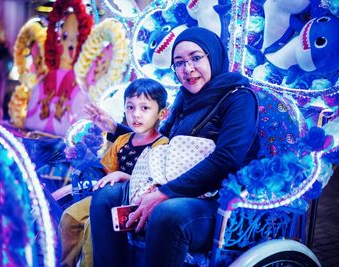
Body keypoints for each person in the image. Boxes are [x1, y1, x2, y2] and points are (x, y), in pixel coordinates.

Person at [89, 27, 259, 267]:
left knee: (167, 213)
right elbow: (160, 142)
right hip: (171, 186)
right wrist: (116, 128)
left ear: (213, 55)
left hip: (218, 200)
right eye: (179, 63)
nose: (188, 69)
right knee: (106, 197)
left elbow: (227, 158)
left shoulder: (238, 97)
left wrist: (167, 192)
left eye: (196, 58)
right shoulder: (185, 98)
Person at [58, 77, 169, 267]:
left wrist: (125, 177)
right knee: (69, 217)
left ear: (162, 113)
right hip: (107, 197)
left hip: (133, 202)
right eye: (130, 107)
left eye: (145, 108)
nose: (136, 115)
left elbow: (155, 182)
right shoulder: (121, 140)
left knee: (93, 226)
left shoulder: (162, 145)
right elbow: (108, 171)